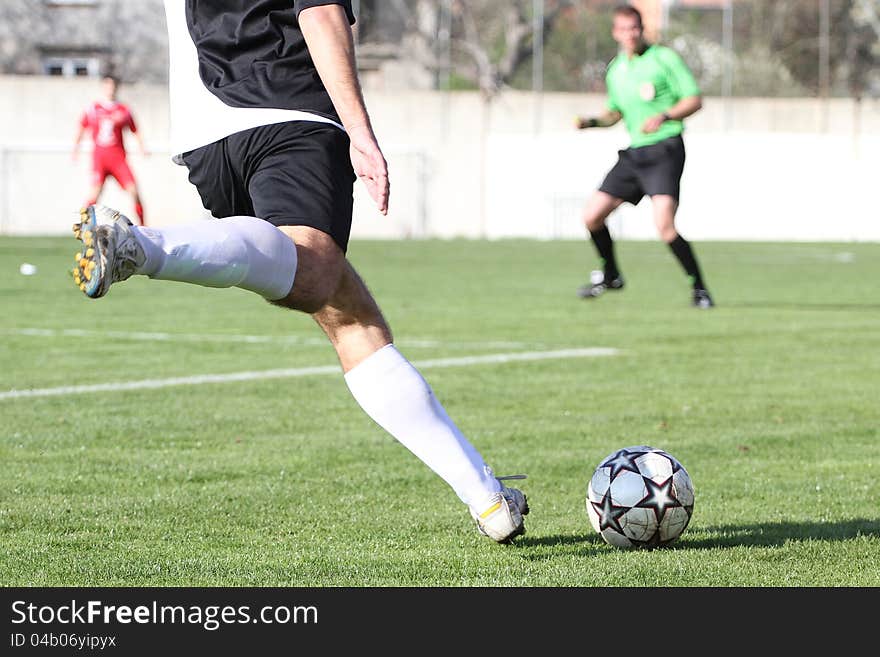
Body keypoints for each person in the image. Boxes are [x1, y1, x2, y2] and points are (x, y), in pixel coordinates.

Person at [70, 0, 528, 543]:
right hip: (287, 107)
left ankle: (487, 497)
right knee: (311, 270)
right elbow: (319, 9)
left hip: (204, 137)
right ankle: (141, 246)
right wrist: (360, 130)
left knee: (348, 314)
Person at [574, 4, 714, 309]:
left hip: (665, 148)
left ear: (642, 29)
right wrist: (593, 123)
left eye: (634, 28)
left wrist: (665, 116)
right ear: (615, 33)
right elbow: (615, 114)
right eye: (623, 29)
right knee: (592, 216)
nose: (630, 34)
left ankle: (699, 288)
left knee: (664, 226)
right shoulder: (616, 70)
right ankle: (611, 274)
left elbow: (694, 100)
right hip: (635, 154)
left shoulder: (664, 58)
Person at [72, 75, 148, 226]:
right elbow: (81, 127)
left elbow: (135, 129)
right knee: (94, 194)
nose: (110, 89)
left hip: (118, 159)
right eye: (107, 86)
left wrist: (142, 147)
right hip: (100, 159)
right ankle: (85, 227)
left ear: (117, 88)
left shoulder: (124, 109)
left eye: (113, 86)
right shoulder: (93, 108)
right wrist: (75, 149)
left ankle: (144, 227)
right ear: (103, 87)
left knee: (134, 192)